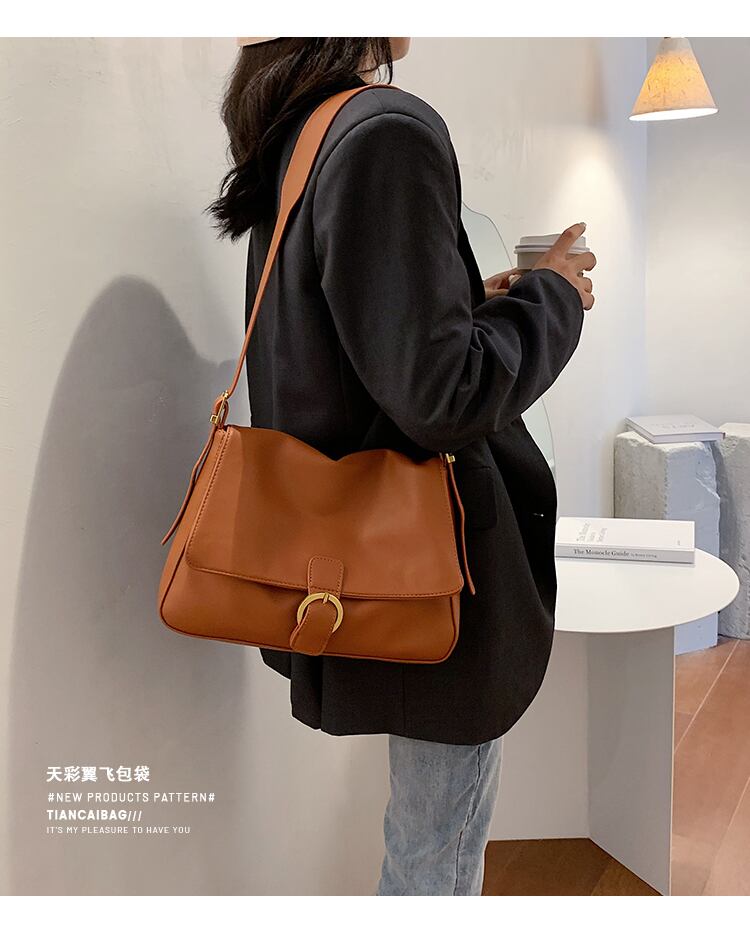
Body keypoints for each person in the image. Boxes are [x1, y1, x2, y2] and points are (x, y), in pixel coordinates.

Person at [208, 37, 595, 896]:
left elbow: (349, 342)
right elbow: (445, 395)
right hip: (433, 562)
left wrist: (467, 302)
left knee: (425, 841)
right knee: (436, 858)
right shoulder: (386, 129)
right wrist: (555, 297)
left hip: (356, 554)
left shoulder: (304, 131)